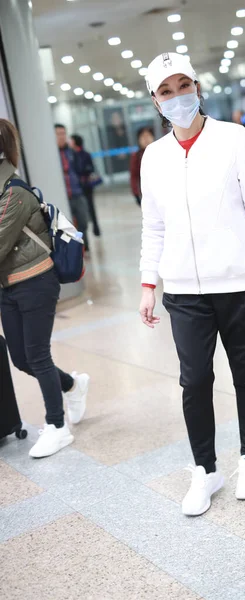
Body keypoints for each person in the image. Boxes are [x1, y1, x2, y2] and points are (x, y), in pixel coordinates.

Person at [139, 52, 245, 517]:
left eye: (184, 85)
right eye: (166, 91)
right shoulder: (154, 156)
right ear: (155, 101)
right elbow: (154, 227)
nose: (178, 97)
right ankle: (205, 469)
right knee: (195, 380)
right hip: (183, 291)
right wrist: (149, 282)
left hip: (242, 285)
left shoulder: (234, 138)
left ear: (198, 87)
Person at [0, 119, 90, 458]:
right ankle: (72, 384)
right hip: (8, 287)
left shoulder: (14, 193)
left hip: (36, 282)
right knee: (21, 358)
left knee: (37, 355)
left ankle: (57, 427)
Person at [54, 124, 90, 250]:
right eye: (58, 134)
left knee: (83, 221)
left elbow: (81, 169)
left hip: (77, 192)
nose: (61, 137)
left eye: (63, 133)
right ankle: (74, 249)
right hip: (63, 195)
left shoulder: (72, 152)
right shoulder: (52, 155)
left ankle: (83, 245)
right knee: (67, 224)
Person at [70, 134, 101, 237]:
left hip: (87, 186)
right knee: (81, 213)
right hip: (78, 187)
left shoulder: (84, 154)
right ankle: (85, 236)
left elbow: (90, 168)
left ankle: (96, 229)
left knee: (91, 208)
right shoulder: (72, 155)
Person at [130, 126, 155, 206]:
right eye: (143, 137)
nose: (146, 139)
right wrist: (136, 193)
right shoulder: (136, 156)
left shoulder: (159, 152)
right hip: (145, 192)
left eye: (148, 136)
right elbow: (134, 176)